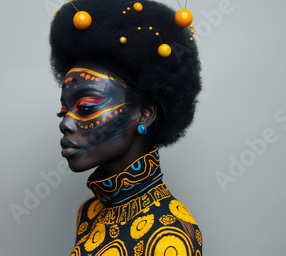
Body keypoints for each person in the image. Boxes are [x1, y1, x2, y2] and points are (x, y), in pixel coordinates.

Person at [50, 0, 202, 255]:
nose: (65, 123)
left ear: (144, 114)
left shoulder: (172, 235)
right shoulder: (89, 213)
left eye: (86, 106)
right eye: (63, 111)